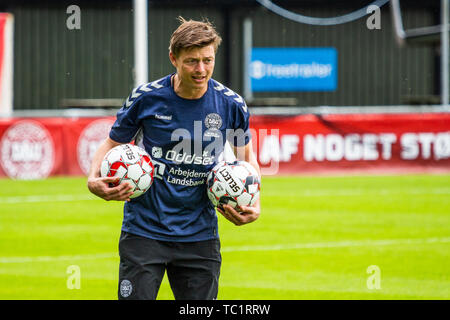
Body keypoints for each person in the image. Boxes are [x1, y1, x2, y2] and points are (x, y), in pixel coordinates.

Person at [87, 16, 260, 300]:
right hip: (144, 231)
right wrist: (92, 179)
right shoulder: (146, 98)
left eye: (208, 60)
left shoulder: (232, 105)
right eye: (192, 61)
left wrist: (254, 202)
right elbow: (111, 142)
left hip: (200, 236)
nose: (201, 69)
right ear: (173, 58)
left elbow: (247, 161)